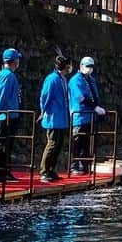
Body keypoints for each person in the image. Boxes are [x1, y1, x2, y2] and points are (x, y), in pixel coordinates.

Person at [69, 55, 107, 175]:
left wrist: (99, 108)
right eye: (87, 66)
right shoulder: (75, 80)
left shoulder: (91, 80)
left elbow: (95, 96)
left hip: (91, 116)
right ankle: (74, 166)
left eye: (91, 67)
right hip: (80, 116)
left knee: (89, 143)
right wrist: (95, 107)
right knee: (77, 142)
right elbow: (80, 98)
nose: (89, 69)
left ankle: (85, 165)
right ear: (81, 66)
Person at [0, 48, 22, 183]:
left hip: (11, 114)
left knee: (7, 144)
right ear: (14, 61)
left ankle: (5, 170)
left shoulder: (7, 75)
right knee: (2, 144)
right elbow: (1, 95)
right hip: (6, 115)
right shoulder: (7, 75)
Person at [38, 53, 72, 181]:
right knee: (52, 143)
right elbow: (45, 96)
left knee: (58, 145)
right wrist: (43, 111)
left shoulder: (63, 79)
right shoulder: (52, 79)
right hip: (53, 117)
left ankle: (51, 169)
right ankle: (44, 170)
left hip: (61, 117)